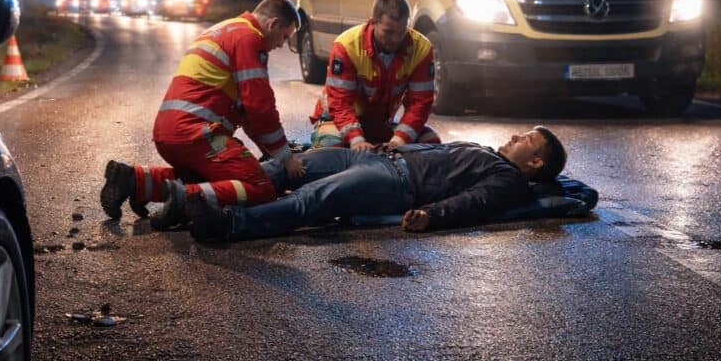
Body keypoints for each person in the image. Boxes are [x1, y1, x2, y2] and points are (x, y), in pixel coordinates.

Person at [100, 0, 306, 230]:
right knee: (261, 187)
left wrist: (271, 152)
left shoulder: (225, 29)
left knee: (220, 181)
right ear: (273, 23)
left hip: (169, 133)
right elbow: (260, 106)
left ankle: (134, 180)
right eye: (284, 36)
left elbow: (247, 114)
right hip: (198, 135)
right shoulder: (250, 39)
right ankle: (184, 198)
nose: (281, 44)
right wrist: (286, 158)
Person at [185, 126, 567, 242]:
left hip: (395, 182)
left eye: (526, 141)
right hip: (380, 159)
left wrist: (431, 216)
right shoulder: (487, 152)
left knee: (311, 199)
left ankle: (228, 223)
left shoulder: (508, 180)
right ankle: (197, 197)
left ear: (535, 163)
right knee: (287, 166)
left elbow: (474, 202)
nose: (517, 137)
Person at [310, 0, 439, 151]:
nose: (396, 39)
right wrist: (356, 140)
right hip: (336, 121)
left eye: (402, 32)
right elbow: (340, 103)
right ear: (373, 22)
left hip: (380, 125)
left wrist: (399, 141)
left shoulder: (421, 50)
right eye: (389, 32)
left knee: (432, 143)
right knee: (332, 149)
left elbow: (420, 104)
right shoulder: (347, 46)